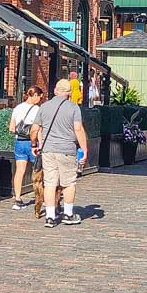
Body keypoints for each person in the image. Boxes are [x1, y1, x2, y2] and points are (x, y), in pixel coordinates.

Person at [31, 78, 88, 228]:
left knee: (50, 183)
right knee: (68, 183)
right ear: (69, 93)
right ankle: (68, 214)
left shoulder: (44, 107)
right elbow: (78, 129)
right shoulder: (74, 108)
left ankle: (50, 216)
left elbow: (35, 129)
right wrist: (84, 149)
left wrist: (34, 144)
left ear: (55, 91)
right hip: (67, 150)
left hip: (48, 150)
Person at [8, 85, 44, 211]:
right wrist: (40, 144)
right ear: (34, 96)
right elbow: (37, 130)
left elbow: (11, 128)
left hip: (19, 142)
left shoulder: (17, 108)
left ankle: (17, 199)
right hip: (31, 143)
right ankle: (41, 198)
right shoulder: (36, 109)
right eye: (39, 97)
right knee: (39, 171)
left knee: (19, 171)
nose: (40, 100)